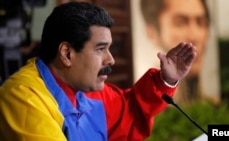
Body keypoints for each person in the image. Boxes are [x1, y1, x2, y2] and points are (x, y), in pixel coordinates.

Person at [0, 2, 197, 141]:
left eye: (109, 48)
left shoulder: (87, 89)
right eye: (100, 49)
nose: (110, 59)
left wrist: (165, 80)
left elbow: (130, 112)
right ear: (67, 53)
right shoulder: (23, 97)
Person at [140, 0, 210, 104]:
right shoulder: (143, 105)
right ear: (152, 32)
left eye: (200, 22)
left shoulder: (212, 106)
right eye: (180, 22)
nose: (194, 36)